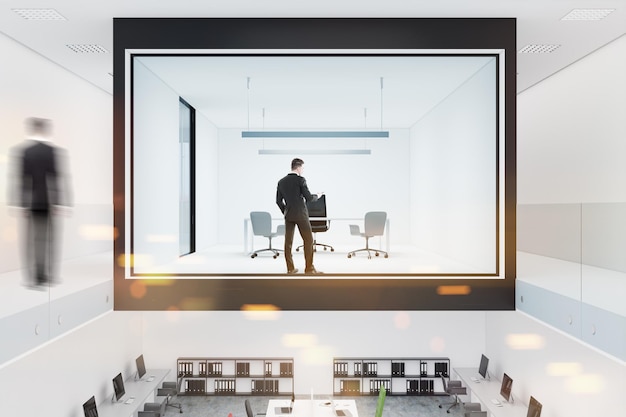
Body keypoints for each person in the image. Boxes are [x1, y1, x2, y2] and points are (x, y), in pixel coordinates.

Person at [7, 117, 72, 288]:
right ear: (45, 130)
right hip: (48, 202)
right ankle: (48, 275)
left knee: (31, 241)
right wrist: (62, 202)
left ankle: (34, 278)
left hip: (31, 203)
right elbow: (58, 178)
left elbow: (20, 179)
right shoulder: (52, 151)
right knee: (49, 241)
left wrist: (20, 203)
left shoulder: (25, 151)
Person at [276, 158, 323, 275]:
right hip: (301, 214)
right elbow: (309, 198)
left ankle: (290, 269)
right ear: (298, 167)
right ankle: (309, 268)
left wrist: (286, 211)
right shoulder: (300, 180)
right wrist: (317, 195)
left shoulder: (281, 181)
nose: (303, 170)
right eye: (302, 168)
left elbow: (278, 201)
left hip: (289, 215)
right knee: (308, 240)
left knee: (288, 242)